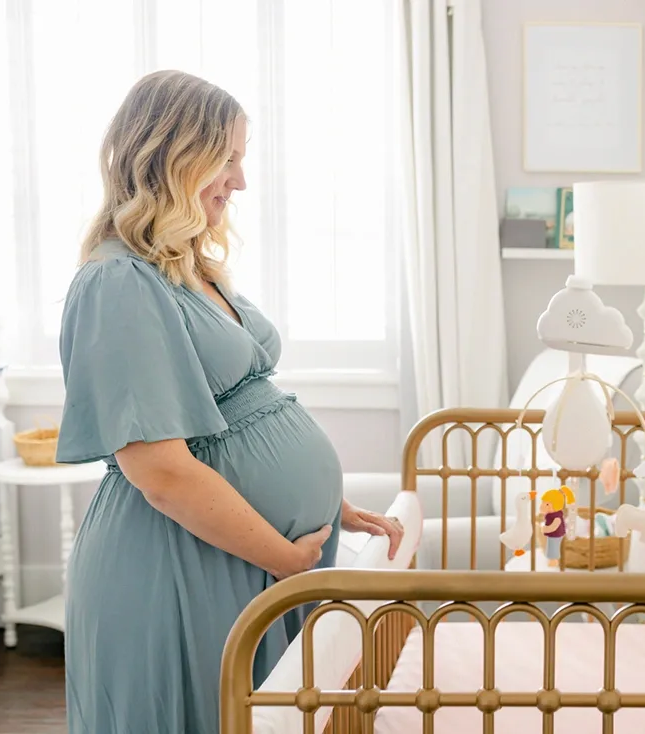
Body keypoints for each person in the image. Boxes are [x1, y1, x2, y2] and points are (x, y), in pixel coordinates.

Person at [54, 70, 405, 733]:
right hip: (177, 563)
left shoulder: (181, 266)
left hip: (240, 554)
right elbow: (159, 471)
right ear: (173, 155)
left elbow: (235, 416)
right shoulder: (117, 283)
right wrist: (284, 558)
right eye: (227, 160)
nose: (239, 182)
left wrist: (331, 505)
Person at [538, 485, 575, 567]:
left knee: (553, 548)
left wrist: (546, 529)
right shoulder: (550, 515)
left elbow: (553, 527)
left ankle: (553, 561)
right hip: (553, 535)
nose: (542, 505)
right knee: (551, 546)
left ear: (556, 505)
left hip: (556, 535)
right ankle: (552, 560)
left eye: (547, 504)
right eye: (542, 502)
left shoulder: (557, 517)